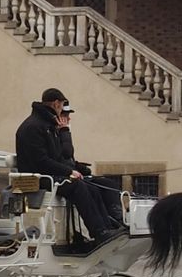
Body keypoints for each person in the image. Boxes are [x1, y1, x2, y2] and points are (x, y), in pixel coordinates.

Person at [15, 88, 123, 246]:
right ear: (56, 103)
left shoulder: (47, 125)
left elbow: (60, 156)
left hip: (49, 175)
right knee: (78, 186)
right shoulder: (34, 126)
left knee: (91, 186)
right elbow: (41, 161)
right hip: (37, 178)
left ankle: (106, 227)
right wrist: (69, 171)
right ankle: (99, 231)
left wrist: (75, 168)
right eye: (62, 105)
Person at [57, 101, 124, 225]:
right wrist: (65, 131)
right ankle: (102, 225)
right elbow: (65, 153)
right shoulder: (59, 133)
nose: (69, 119)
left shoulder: (61, 133)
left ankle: (117, 217)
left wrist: (78, 166)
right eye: (65, 116)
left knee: (108, 184)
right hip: (63, 176)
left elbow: (66, 158)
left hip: (72, 173)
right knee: (92, 189)